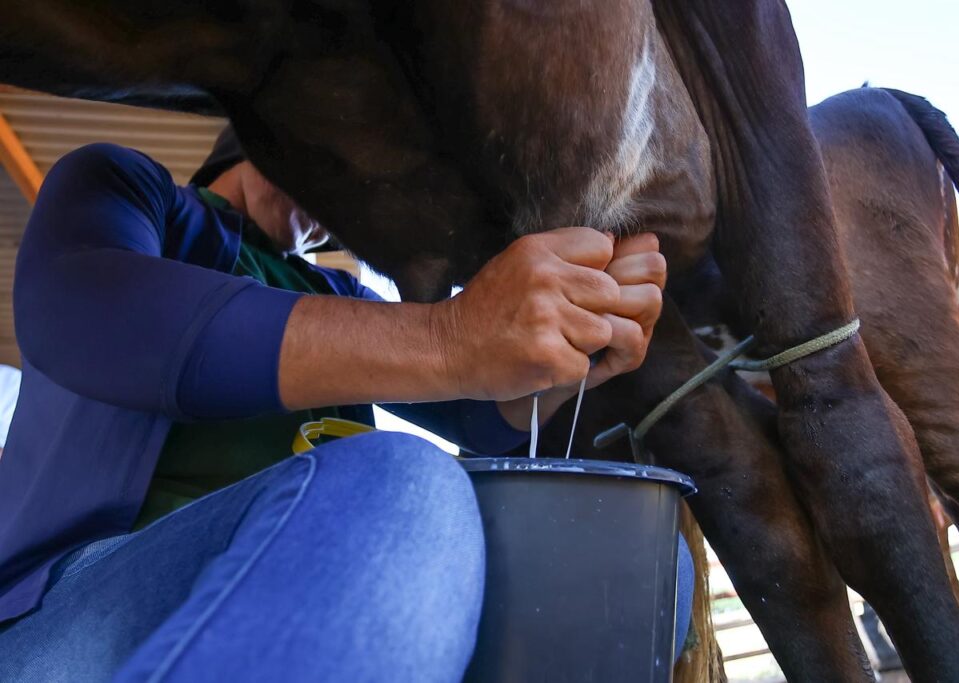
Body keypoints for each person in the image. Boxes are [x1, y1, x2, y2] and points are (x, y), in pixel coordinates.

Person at [0, 128, 691, 681]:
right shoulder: (136, 194)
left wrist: (575, 343)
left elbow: (481, 412)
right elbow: (83, 311)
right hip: (66, 614)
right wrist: (452, 336)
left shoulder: (334, 296)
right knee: (402, 481)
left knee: (635, 561)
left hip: (298, 604)